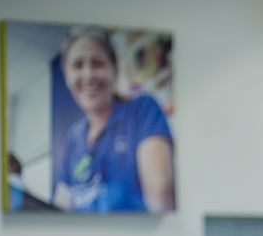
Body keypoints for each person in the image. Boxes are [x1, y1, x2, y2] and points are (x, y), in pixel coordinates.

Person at [52, 27, 175, 214]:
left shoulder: (142, 111)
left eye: (97, 63)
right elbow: (61, 209)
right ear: (67, 75)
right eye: (77, 65)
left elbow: (160, 204)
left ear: (114, 69)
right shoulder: (73, 137)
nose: (88, 75)